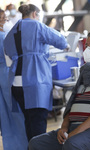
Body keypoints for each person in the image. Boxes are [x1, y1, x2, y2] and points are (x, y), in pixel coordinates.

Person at [3, 4, 69, 141]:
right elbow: (61, 41)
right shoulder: (37, 26)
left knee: (29, 120)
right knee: (38, 121)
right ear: (35, 14)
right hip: (34, 79)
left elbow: (8, 51)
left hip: (16, 82)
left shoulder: (12, 30)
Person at [0, 9, 28, 150]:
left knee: (5, 117)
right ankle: (22, 145)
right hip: (7, 76)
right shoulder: (4, 37)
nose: (6, 21)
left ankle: (11, 146)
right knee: (15, 113)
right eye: (4, 19)